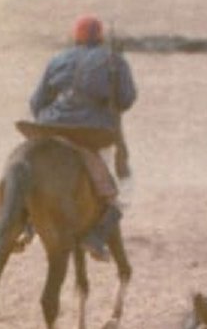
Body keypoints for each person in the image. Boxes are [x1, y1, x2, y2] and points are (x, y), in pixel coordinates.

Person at [25, 14, 136, 261]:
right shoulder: (114, 60)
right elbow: (127, 99)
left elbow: (36, 102)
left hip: (49, 126)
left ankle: (24, 222)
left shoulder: (57, 58)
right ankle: (96, 235)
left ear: (75, 37)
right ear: (101, 38)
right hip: (91, 131)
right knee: (116, 189)